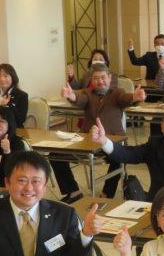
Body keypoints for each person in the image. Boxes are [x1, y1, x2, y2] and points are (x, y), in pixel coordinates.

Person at [57, 64, 145, 201]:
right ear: (92, 80)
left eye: (103, 77)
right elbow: (80, 99)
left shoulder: (117, 93)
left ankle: (106, 194)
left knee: (119, 157)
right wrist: (71, 96)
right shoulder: (88, 93)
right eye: (96, 78)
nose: (100, 81)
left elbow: (125, 99)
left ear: (109, 78)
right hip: (88, 142)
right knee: (56, 155)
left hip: (112, 141)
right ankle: (73, 191)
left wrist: (134, 97)